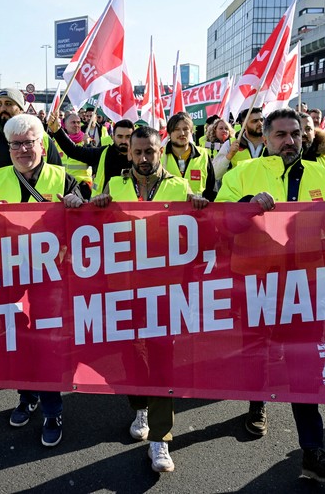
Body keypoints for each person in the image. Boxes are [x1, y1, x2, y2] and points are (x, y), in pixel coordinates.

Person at [216, 108, 325, 483]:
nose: (290, 141)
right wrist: (246, 206)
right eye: (281, 135)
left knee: (304, 368)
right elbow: (221, 219)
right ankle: (256, 405)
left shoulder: (323, 174)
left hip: (306, 287)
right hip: (256, 284)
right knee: (256, 352)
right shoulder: (243, 173)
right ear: (266, 137)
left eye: (296, 135)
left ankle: (312, 451)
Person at [92, 125, 208, 473]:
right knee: (130, 352)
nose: (144, 158)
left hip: (165, 289)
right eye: (137, 152)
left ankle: (161, 438)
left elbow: (195, 229)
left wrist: (200, 207)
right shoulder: (115, 185)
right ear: (128, 153)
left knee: (162, 356)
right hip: (124, 288)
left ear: (162, 151)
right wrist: (96, 207)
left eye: (150, 152)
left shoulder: (177, 186)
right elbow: (94, 228)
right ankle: (140, 406)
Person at [0, 113, 84, 448]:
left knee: (46, 342)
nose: (22, 149)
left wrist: (79, 207)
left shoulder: (62, 178)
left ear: (42, 144)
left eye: (29, 142)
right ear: (8, 148)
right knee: (18, 338)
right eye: (16, 144)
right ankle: (27, 395)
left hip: (52, 276)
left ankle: (52, 410)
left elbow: (88, 225)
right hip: (12, 273)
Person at [0, 88, 62, 203]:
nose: (3, 108)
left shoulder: (42, 138)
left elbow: (57, 173)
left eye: (8, 104)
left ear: (21, 109)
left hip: (37, 211)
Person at [47, 114, 135, 196]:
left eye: (128, 137)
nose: (124, 141)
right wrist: (57, 131)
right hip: (102, 207)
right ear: (112, 137)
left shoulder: (140, 157)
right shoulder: (102, 153)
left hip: (131, 207)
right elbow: (74, 151)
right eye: (120, 136)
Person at [161, 112, 217, 200]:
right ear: (169, 133)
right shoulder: (159, 155)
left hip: (196, 211)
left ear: (191, 131)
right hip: (167, 211)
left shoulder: (203, 155)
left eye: (185, 129)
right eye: (176, 129)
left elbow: (211, 189)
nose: (182, 133)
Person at [213, 107, 264, 182]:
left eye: (261, 120)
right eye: (255, 121)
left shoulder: (272, 143)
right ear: (244, 124)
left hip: (265, 192)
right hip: (238, 192)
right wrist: (230, 155)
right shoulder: (230, 144)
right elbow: (215, 174)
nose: (260, 124)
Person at [58, 110, 94, 198]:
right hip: (63, 185)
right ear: (65, 125)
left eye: (78, 122)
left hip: (83, 186)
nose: (77, 125)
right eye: (73, 122)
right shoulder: (57, 142)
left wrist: (88, 145)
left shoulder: (87, 141)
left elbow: (94, 161)